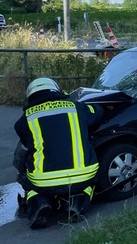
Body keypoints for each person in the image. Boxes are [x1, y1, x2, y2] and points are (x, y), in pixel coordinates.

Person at [14, 78, 103, 228]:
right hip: (83, 175)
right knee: (90, 180)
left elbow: (26, 143)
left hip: (44, 181)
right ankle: (78, 202)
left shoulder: (25, 120)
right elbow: (98, 111)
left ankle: (40, 203)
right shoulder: (76, 107)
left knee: (26, 180)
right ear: (56, 90)